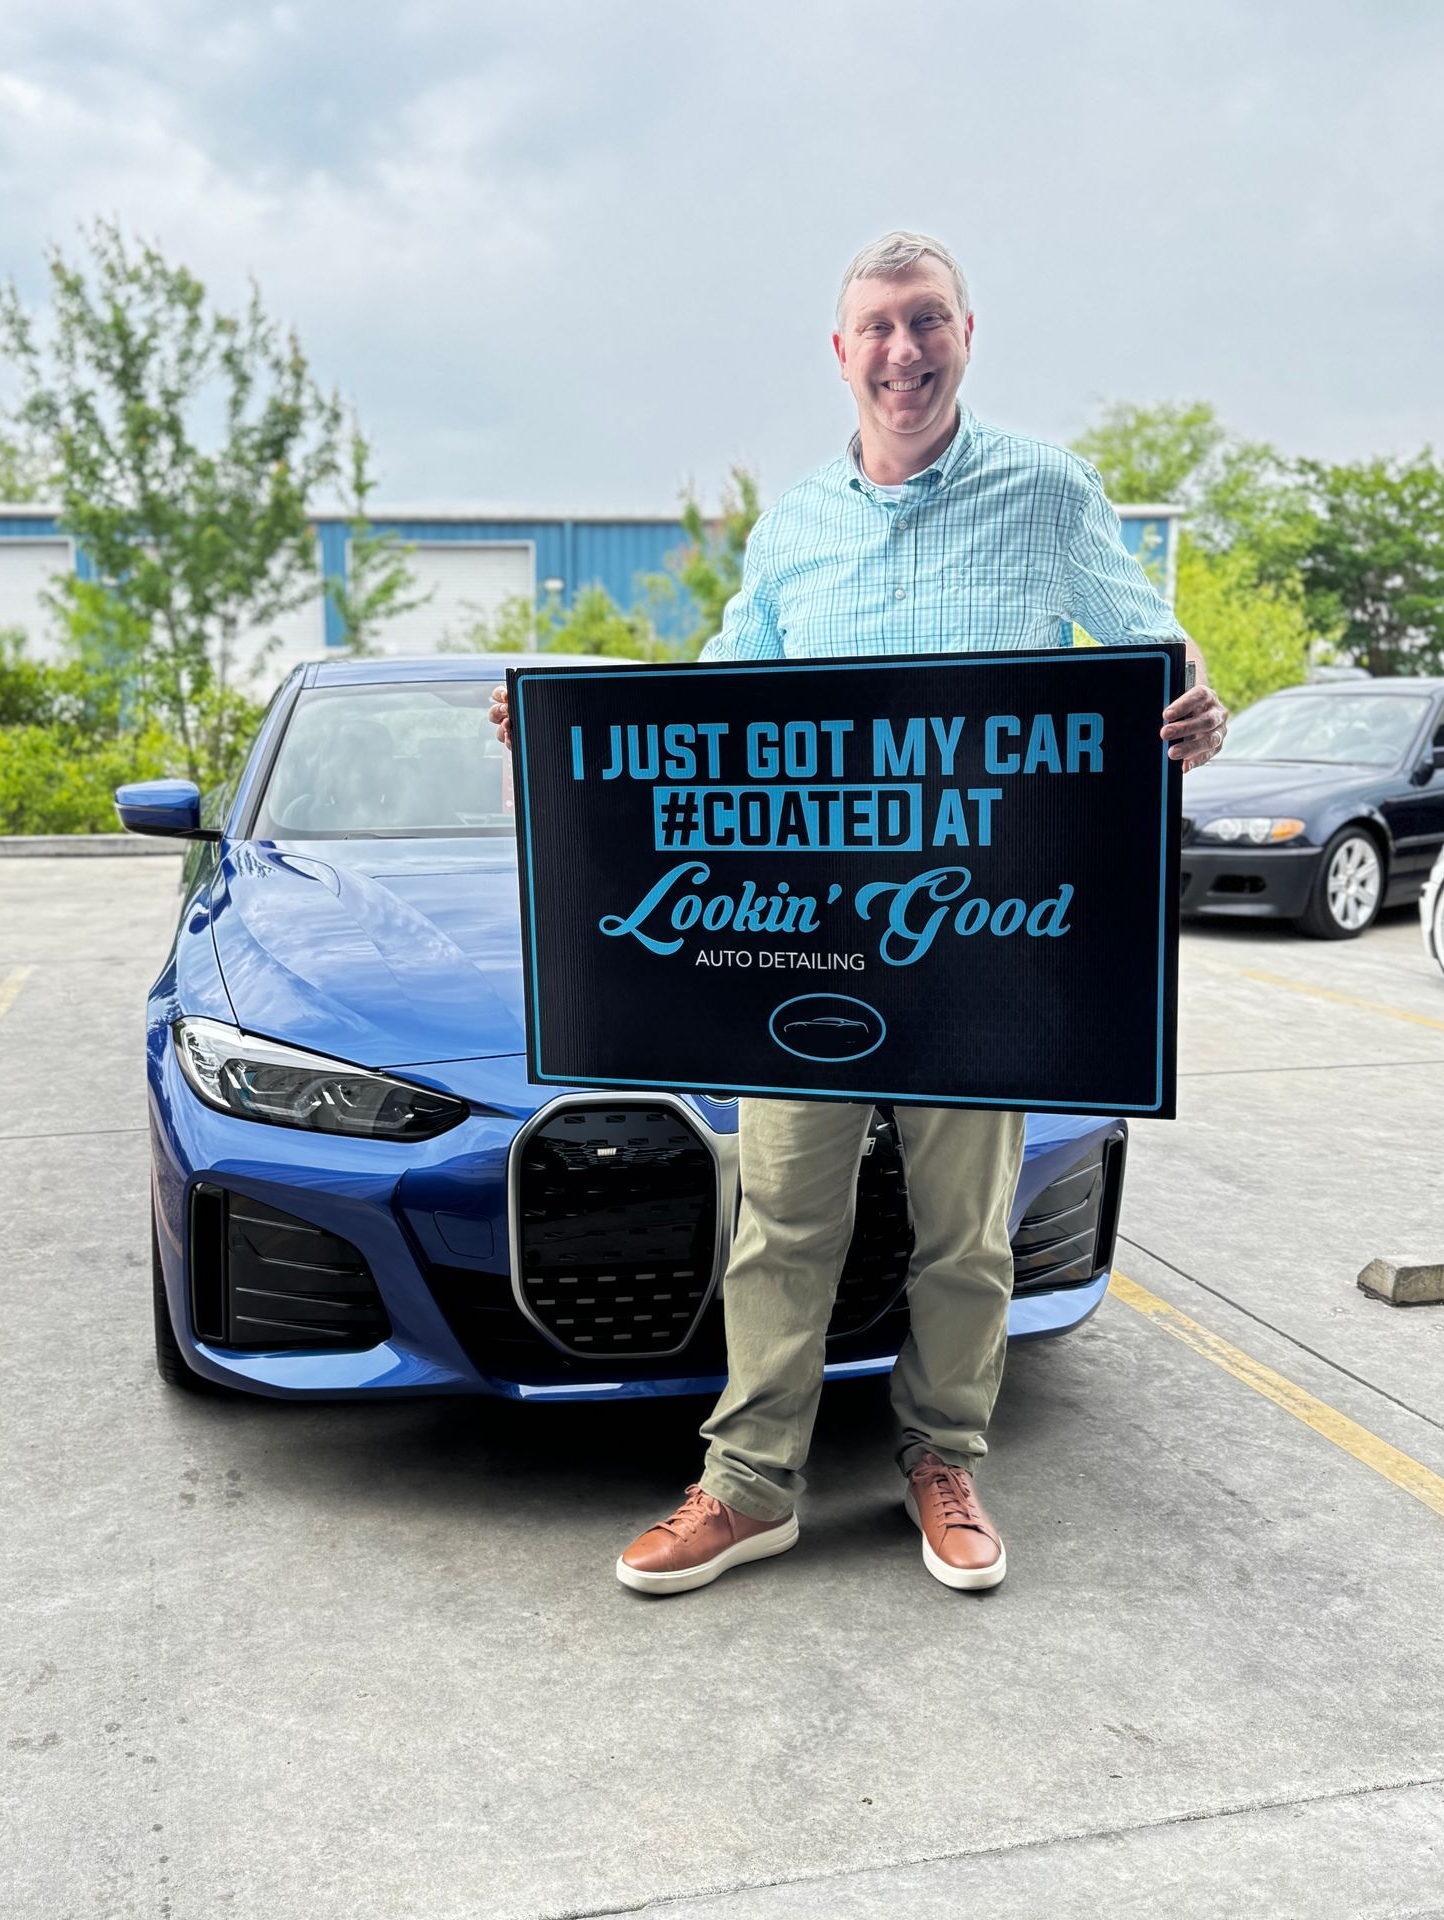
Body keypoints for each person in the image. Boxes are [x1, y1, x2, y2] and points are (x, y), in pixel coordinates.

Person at [490, 231, 1227, 1598]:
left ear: (966, 333)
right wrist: (565, 738)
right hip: (804, 942)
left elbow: (1151, 645)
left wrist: (1193, 702)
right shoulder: (795, 527)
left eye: (927, 320)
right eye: (878, 327)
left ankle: (941, 1456)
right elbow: (713, 707)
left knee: (967, 1235)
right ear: (842, 353)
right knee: (778, 1222)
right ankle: (749, 1483)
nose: (904, 349)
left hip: (982, 942)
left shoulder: (1050, 493)